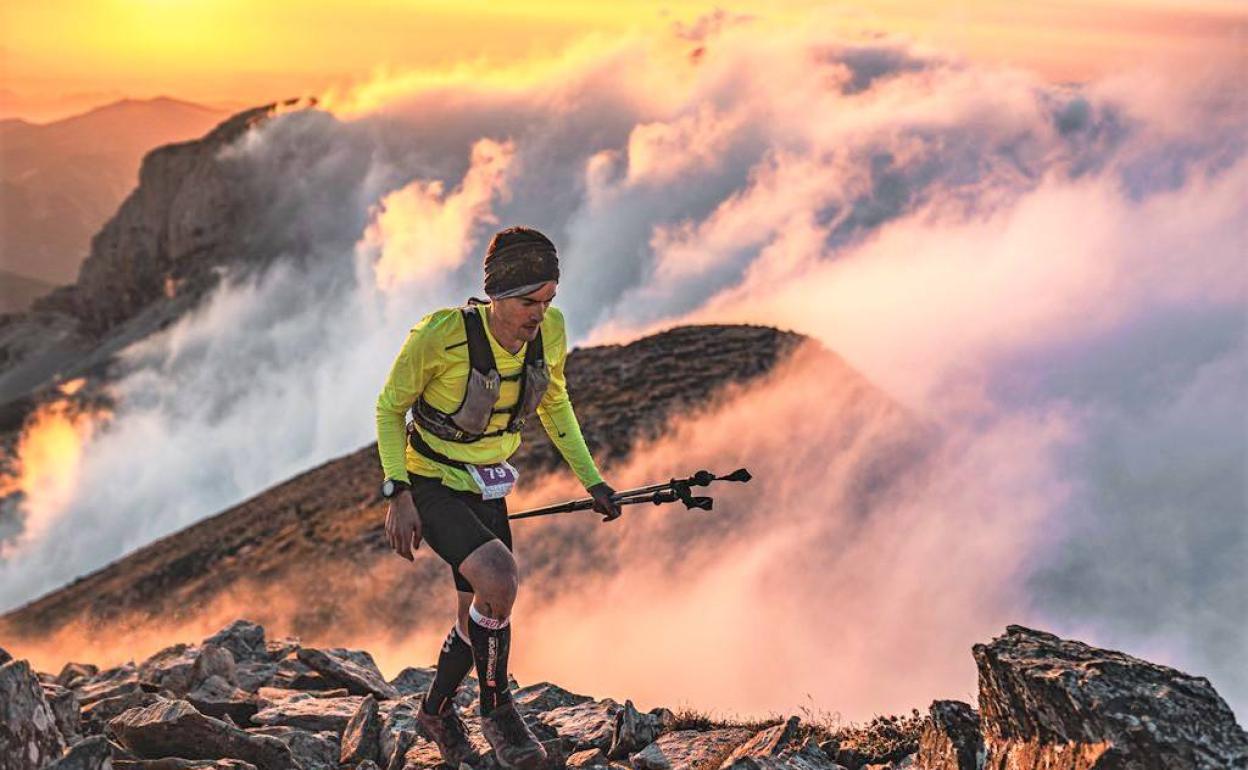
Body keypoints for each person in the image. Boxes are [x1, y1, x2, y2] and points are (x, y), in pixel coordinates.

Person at [375, 226, 621, 770]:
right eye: (528, 301)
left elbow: (555, 403)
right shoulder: (440, 336)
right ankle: (497, 710)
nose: (539, 313)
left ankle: (435, 712)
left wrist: (593, 480)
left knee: (476, 616)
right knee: (499, 579)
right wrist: (398, 492)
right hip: (432, 480)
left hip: (487, 483)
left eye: (548, 300)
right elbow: (390, 409)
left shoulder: (549, 332)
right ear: (495, 295)